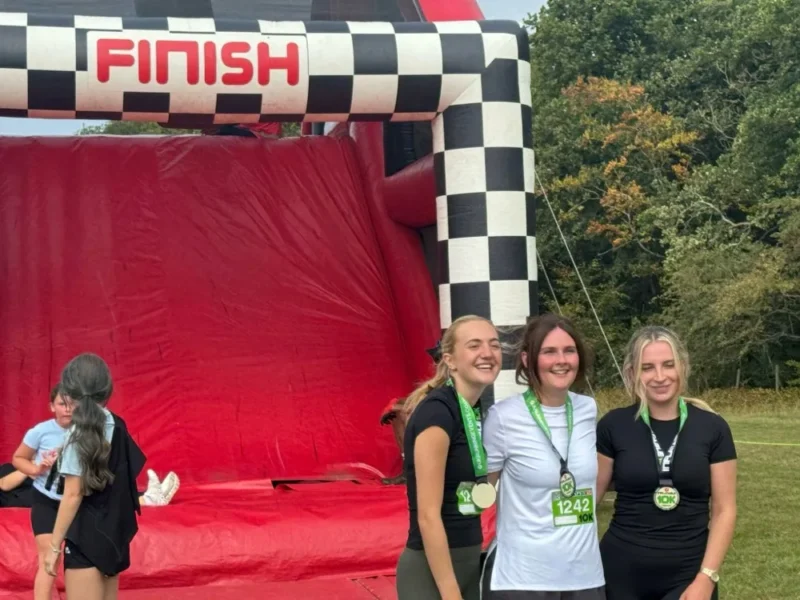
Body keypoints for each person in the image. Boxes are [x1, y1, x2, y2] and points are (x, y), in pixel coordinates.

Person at [596, 326, 738, 600]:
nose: (659, 377)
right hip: (619, 575)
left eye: (668, 365)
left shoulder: (713, 427)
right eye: (647, 367)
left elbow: (725, 510)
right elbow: (590, 498)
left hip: (688, 578)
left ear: (682, 367)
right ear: (631, 373)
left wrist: (706, 578)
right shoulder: (614, 425)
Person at [481, 314, 606, 599]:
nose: (561, 360)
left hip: (584, 577)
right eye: (549, 351)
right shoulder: (503, 417)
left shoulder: (587, 409)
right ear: (527, 359)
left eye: (569, 350)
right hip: (524, 579)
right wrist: (453, 504)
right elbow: (484, 490)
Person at [396, 315, 502, 600]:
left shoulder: (471, 409)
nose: (488, 353)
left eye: (494, 345)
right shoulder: (437, 413)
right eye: (474, 345)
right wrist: (451, 592)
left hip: (465, 560)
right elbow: (428, 516)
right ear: (450, 360)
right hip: (433, 572)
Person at [44, 353, 146, 599]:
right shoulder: (117, 424)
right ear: (106, 389)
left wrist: (54, 546)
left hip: (85, 539)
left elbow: (72, 494)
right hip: (115, 535)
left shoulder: (78, 434)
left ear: (69, 393)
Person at [10, 384, 72, 600]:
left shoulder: (86, 431)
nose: (68, 409)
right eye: (62, 404)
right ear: (52, 407)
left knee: (79, 559)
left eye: (73, 404)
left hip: (77, 500)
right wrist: (38, 468)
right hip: (46, 499)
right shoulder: (40, 431)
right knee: (50, 557)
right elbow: (18, 459)